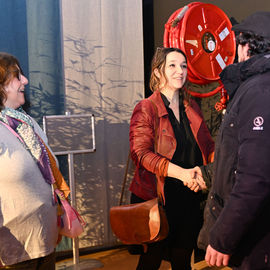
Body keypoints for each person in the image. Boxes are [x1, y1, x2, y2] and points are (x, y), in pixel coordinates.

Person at [129, 47, 214, 270]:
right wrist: (183, 174)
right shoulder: (146, 107)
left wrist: (208, 174)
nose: (180, 71)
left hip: (189, 196)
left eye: (184, 66)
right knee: (150, 261)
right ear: (157, 72)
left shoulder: (191, 106)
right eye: (172, 66)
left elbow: (208, 146)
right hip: (159, 199)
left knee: (182, 259)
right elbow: (141, 154)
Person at [197, 12, 270, 269]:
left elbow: (255, 177)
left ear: (246, 45)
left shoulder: (259, 90)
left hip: (257, 240)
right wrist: (207, 174)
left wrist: (222, 237)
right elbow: (239, 158)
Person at [0, 52, 69, 269]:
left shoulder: (25, 122)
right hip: (14, 251)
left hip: (43, 241)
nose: (25, 81)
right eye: (17, 76)